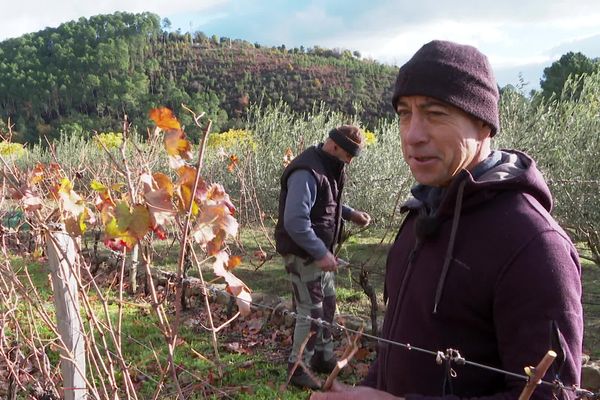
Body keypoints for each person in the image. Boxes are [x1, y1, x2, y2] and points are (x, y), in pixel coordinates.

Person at [311, 40, 583, 399]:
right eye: (404, 114)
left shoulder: (534, 245)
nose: (413, 135)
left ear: (484, 124)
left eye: (435, 113)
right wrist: (367, 389)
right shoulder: (423, 215)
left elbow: (550, 395)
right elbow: (399, 344)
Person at [275, 125, 371, 389]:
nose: (351, 161)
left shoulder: (326, 166)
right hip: (302, 253)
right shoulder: (306, 171)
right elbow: (295, 221)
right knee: (311, 309)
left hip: (317, 251)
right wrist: (320, 252)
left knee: (327, 304)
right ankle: (298, 368)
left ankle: (321, 356)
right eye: (349, 154)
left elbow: (325, 202)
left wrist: (350, 214)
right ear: (335, 146)